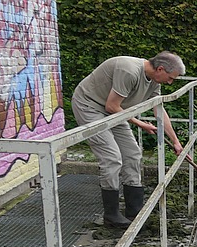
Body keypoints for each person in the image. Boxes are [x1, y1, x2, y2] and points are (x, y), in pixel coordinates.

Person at [71, 52, 186, 227]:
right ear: (160, 69)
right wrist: (140, 123)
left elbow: (159, 110)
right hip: (90, 106)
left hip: (115, 110)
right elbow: (111, 105)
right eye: (170, 78)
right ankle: (111, 215)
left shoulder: (154, 81)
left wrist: (176, 142)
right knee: (112, 158)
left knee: (132, 154)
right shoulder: (129, 71)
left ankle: (134, 210)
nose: (170, 82)